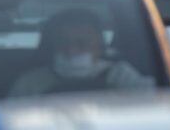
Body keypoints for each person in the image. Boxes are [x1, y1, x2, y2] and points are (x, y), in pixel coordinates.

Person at [8, 9, 154, 97]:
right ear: (52, 46)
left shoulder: (122, 76)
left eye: (81, 43)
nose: (71, 51)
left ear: (99, 47)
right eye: (63, 43)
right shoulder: (29, 84)